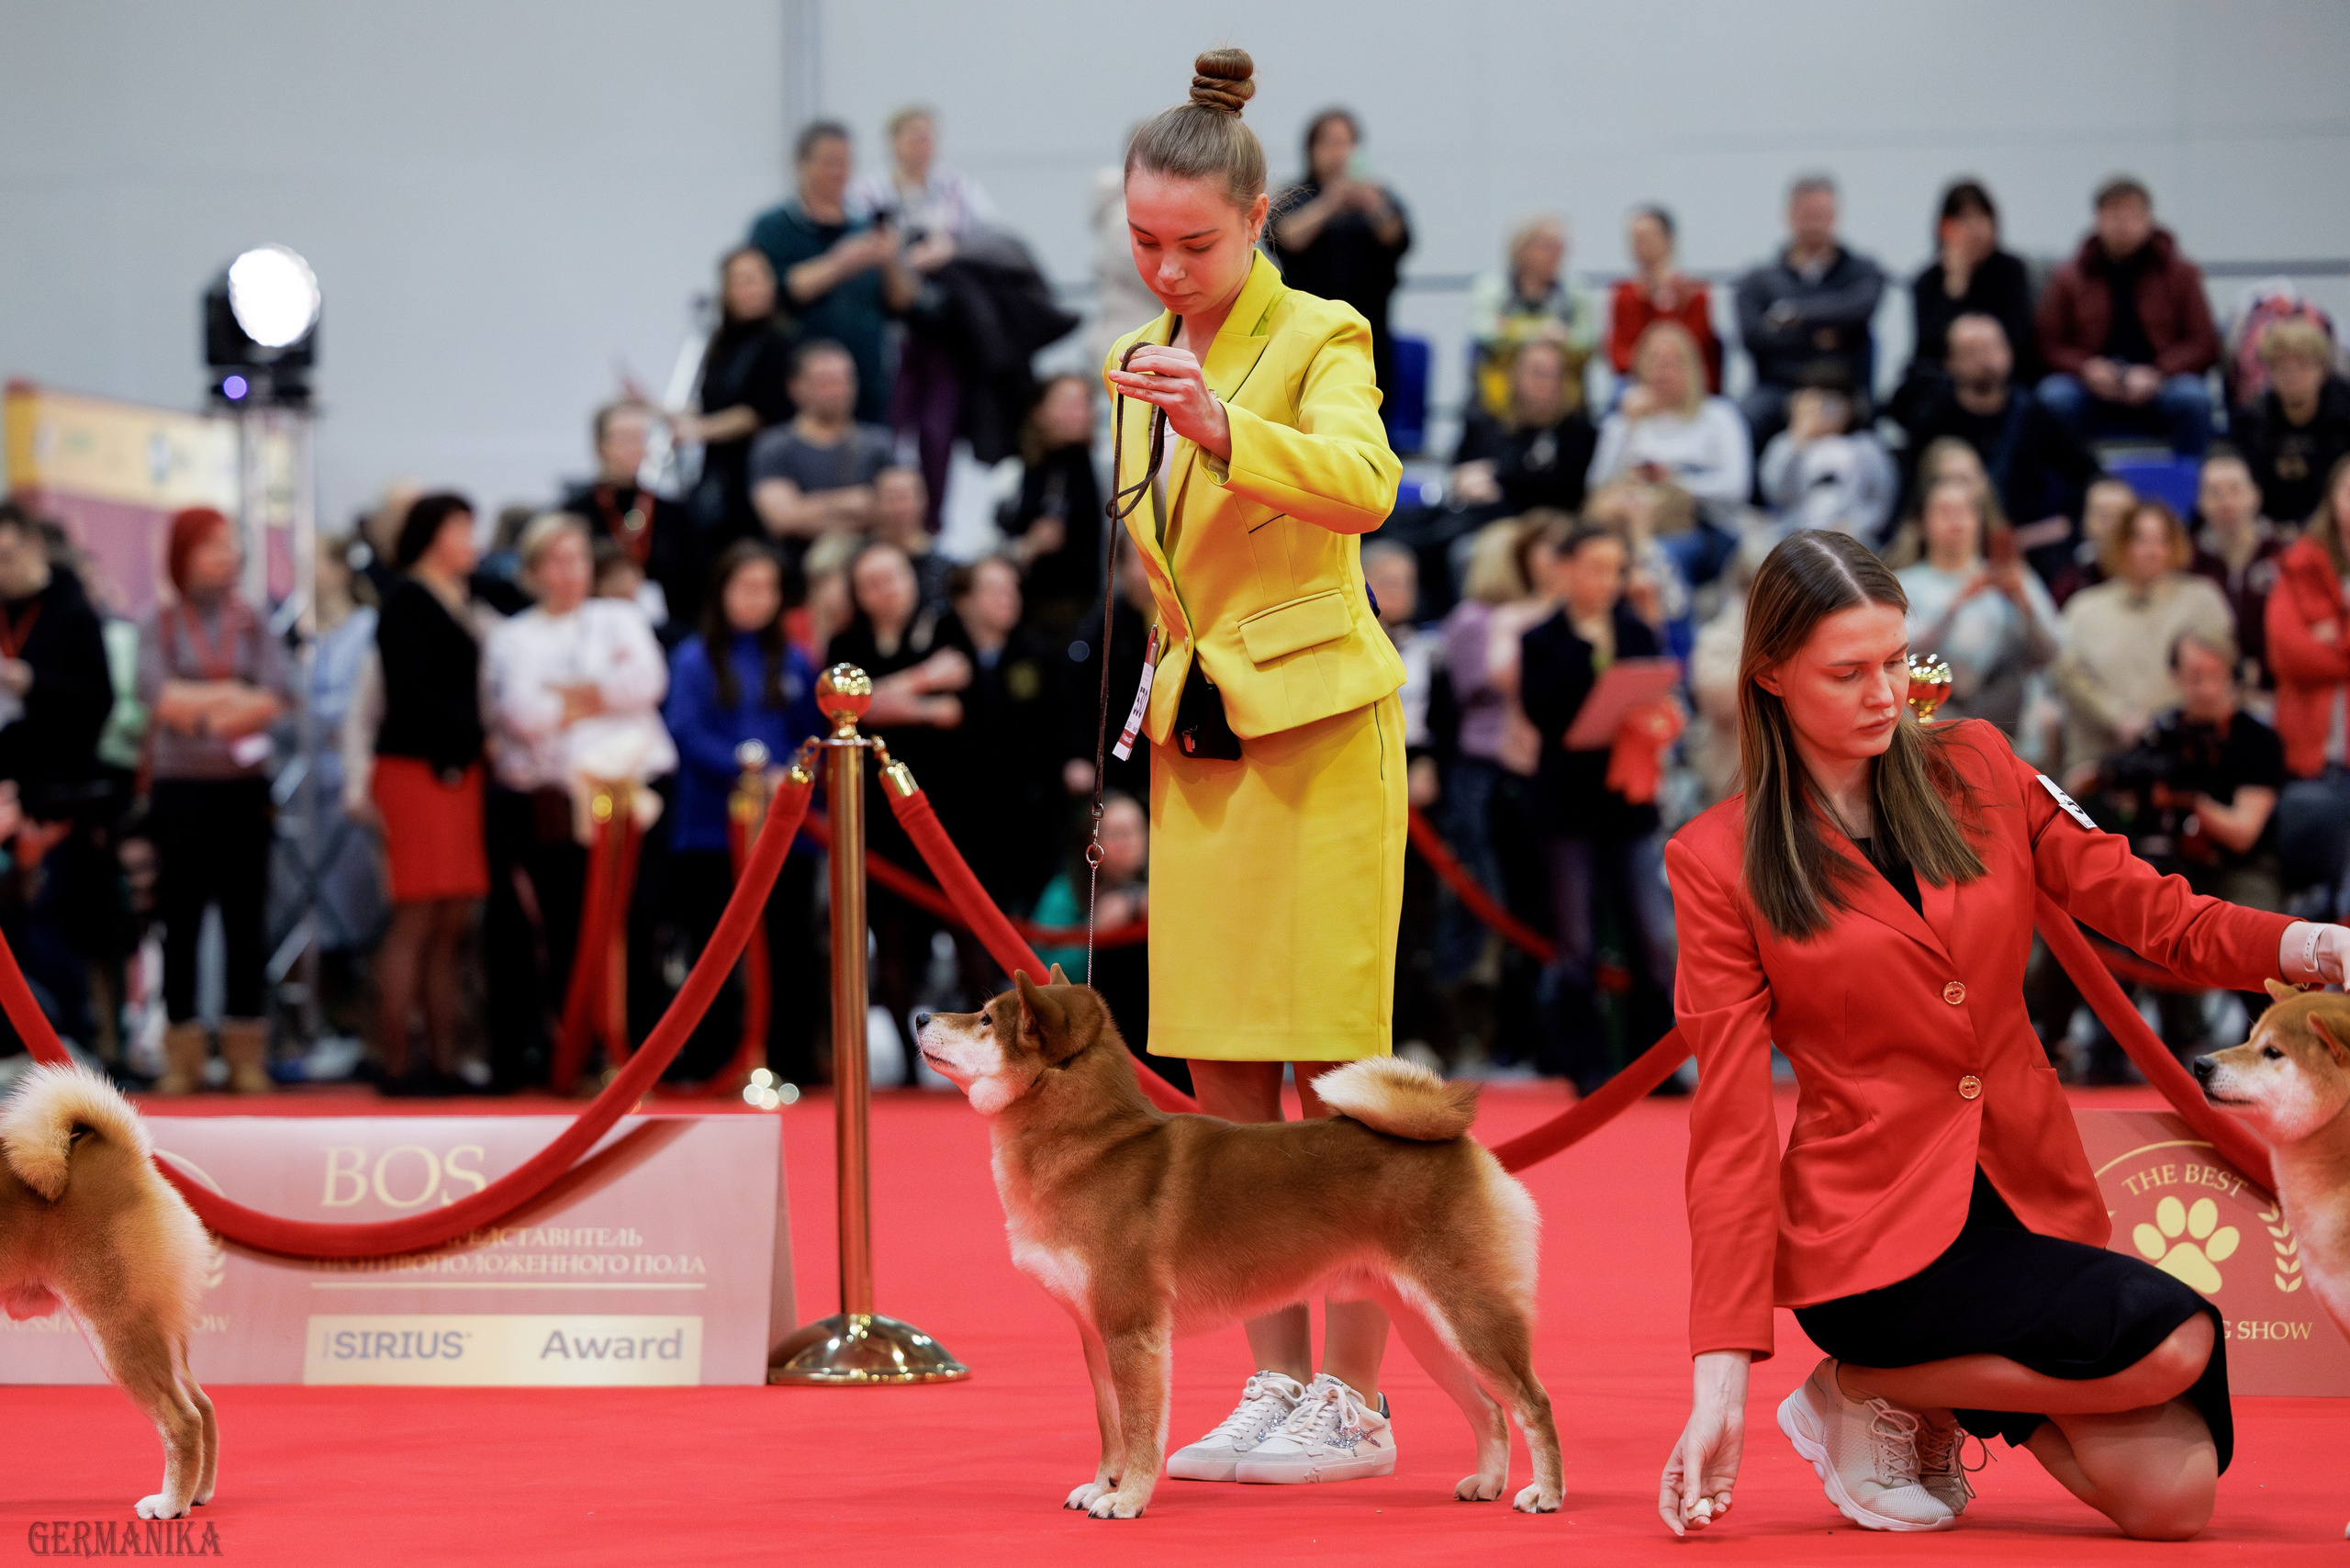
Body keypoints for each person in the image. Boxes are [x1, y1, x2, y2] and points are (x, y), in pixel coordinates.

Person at [1660, 528, 2342, 1541]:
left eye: (1895, 659)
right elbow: (1724, 1119)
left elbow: (2153, 909)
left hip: (2025, 1195)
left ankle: (1889, 1396)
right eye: (1846, 672)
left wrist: (2309, 943)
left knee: (2173, 1500)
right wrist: (1721, 1368)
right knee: (2177, 1336)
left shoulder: (1978, 763)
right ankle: (1863, 1374)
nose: (1885, 693)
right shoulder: (1714, 859)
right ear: (1770, 676)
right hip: (1869, 1238)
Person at [1106, 48, 1410, 1484]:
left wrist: (1223, 425)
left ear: (1261, 214)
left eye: (1197, 244)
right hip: (1206, 739)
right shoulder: (1139, 364)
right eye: (1144, 240)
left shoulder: (1324, 332)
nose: (1168, 267)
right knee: (1223, 1085)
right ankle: (1275, 1387)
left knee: (1341, 1076)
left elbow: (1365, 486)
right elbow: (1165, 568)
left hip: (1323, 739)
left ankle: (1357, 1401)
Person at [481, 515, 675, 1091]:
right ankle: (579, 1051)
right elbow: (524, 714)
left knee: (640, 922)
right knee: (571, 926)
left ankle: (641, 1049)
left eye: (580, 560)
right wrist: (599, 693)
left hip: (636, 791)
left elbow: (645, 682)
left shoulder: (621, 617)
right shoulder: (513, 636)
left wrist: (572, 697)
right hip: (558, 800)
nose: (572, 573)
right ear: (535, 572)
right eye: (558, 562)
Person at [1516, 523, 1675, 1091]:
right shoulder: (1541, 639)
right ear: (1566, 568)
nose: (1609, 581)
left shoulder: (1635, 629)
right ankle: (1584, 1061)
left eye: (1617, 569)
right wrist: (1591, 653)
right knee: (1576, 942)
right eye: (1597, 567)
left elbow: (1657, 689)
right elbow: (1546, 712)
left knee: (1651, 938)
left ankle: (1655, 1063)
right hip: (1567, 806)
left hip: (1628, 804)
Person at [137, 507, 290, 1094]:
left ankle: (246, 1050)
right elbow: (158, 696)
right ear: (183, 556)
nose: (227, 557)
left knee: (246, 918)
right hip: (180, 791)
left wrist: (207, 708)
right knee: (181, 918)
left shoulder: (252, 622)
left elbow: (279, 693)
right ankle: (183, 1051)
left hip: (244, 790)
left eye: (231, 546)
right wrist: (232, 695)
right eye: (212, 547)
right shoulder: (162, 623)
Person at [663, 542, 823, 1086]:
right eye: (746, 587)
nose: (758, 599)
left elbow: (811, 735)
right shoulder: (694, 656)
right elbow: (686, 731)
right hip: (714, 829)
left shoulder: (795, 658)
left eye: (768, 588)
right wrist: (748, 768)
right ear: (722, 591)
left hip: (786, 833)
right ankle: (713, 1062)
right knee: (716, 948)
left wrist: (797, 778)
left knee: (789, 946)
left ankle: (790, 1060)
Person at [362, 493, 489, 1095]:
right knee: (415, 914)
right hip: (417, 768)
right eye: (462, 527)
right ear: (435, 534)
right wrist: (473, 737)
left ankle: (442, 1057)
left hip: (455, 769)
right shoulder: (407, 601)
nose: (472, 539)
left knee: (451, 917)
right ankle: (396, 1058)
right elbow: (410, 693)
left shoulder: (461, 597)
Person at [825, 539, 970, 1052]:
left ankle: (983, 1050)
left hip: (946, 804)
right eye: (872, 582)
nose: (886, 590)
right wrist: (925, 692)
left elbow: (960, 698)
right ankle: (909, 1061)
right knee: (890, 937)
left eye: (893, 577)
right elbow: (847, 713)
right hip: (877, 814)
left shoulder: (945, 624)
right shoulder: (846, 643)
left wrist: (880, 698)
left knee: (967, 929)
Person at [747, 120, 918, 426]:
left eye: (844, 163)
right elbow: (777, 291)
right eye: (829, 163)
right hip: (794, 386)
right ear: (802, 165)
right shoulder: (773, 227)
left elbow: (903, 301)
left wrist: (890, 259)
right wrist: (840, 263)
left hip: (865, 381)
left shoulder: (866, 225)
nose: (838, 172)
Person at [2036, 177, 2221, 457]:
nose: (2123, 225)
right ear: (2097, 220)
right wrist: (2086, 368)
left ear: (2149, 219)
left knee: (2192, 398)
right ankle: (2066, 495)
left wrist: (2159, 373)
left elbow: (2204, 341)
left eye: (2132, 216)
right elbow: (2046, 344)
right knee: (2054, 398)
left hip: (2160, 385)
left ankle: (2192, 494)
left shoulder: (2181, 274)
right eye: (2113, 215)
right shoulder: (2068, 277)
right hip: (2090, 388)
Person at [2053, 499, 2234, 781]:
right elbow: (2067, 673)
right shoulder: (2084, 608)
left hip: (2183, 754)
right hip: (2101, 756)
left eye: (2162, 540)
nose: (2152, 551)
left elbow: (2219, 667)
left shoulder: (2202, 600)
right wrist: (2117, 717)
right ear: (2120, 544)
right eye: (2140, 539)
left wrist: (2163, 726)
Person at [1898, 315, 2100, 565]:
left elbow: (2090, 478)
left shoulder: (2034, 414)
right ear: (1949, 362)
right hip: (1952, 546)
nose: (1986, 359)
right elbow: (1910, 497)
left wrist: (2049, 530)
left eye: (1994, 347)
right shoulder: (1932, 419)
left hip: (2027, 548)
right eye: (1971, 351)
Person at [1589, 321, 1751, 586]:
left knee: (1659, 558)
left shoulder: (1719, 416)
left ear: (1692, 368)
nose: (1663, 372)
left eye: (1673, 362)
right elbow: (1597, 486)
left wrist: (1675, 481)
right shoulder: (1622, 422)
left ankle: (1675, 627)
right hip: (1629, 523)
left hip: (1705, 526)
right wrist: (1627, 427)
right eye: (1655, 362)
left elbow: (1737, 488)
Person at [1895, 477, 2061, 735]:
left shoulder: (2013, 577)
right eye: (1944, 511)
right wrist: (1956, 603)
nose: (1956, 520)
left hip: (2004, 709)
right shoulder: (1905, 583)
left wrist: (2023, 602)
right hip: (1929, 711)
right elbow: (1899, 654)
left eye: (1964, 511)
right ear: (1922, 523)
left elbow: (2051, 653)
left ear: (1979, 521)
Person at [1268, 106, 1412, 403]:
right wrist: (1331, 201)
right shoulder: (1296, 194)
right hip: (1307, 329)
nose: (1340, 152)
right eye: (1330, 142)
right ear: (1312, 149)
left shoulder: (1377, 195)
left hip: (1369, 329)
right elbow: (1286, 238)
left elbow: (1398, 238)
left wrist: (1373, 205)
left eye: (1347, 143)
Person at [1733, 174, 1886, 447]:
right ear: (1790, 216)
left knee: (1870, 436)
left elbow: (1861, 309)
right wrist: (1826, 333)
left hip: (1842, 386)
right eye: (1809, 214)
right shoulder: (1757, 281)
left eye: (1824, 214)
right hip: (1779, 387)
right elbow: (1753, 336)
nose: (1817, 223)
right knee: (1746, 423)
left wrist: (1792, 316)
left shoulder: (1862, 271)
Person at [676, 247, 798, 545]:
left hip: (757, 473)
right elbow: (710, 403)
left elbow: (763, 411)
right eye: (741, 281)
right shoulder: (720, 342)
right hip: (718, 472)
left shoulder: (781, 343)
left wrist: (700, 430)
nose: (750, 289)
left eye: (756, 279)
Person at [559, 401, 702, 641]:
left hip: (666, 633)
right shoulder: (573, 515)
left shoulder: (675, 515)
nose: (633, 447)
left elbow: (696, 585)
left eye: (640, 438)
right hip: (589, 635)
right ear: (600, 446)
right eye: (623, 438)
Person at [748, 342, 896, 555]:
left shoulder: (879, 445)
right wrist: (851, 502)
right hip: (793, 566)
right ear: (795, 386)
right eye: (825, 382)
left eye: (843, 381)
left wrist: (806, 508)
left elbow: (892, 514)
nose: (836, 391)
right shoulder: (774, 446)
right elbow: (782, 519)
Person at [999, 374, 1104, 645]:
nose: (1079, 413)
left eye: (1084, 404)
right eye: (1068, 403)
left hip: (1095, 609)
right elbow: (986, 548)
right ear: (1039, 412)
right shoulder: (1013, 474)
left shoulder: (1109, 468)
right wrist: (1026, 547)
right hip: (1027, 613)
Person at [1466, 214, 1598, 420]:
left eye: (1561, 248)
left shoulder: (1574, 291)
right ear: (1522, 248)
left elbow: (1587, 340)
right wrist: (1542, 331)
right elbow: (1482, 332)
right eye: (1548, 247)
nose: (1557, 255)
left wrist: (1510, 328)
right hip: (1499, 394)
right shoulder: (1494, 288)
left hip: (1562, 399)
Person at [1451, 339, 1598, 520]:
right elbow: (1460, 469)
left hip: (1543, 525)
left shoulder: (1577, 432)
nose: (1545, 383)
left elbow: (1562, 491)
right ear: (1513, 375)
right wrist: (1463, 481)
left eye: (1554, 374)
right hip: (1475, 516)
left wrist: (1495, 477)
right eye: (1538, 373)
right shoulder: (1484, 424)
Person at [1908, 180, 2037, 383]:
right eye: (1964, 219)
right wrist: (1955, 286)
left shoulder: (2010, 270)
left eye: (1981, 217)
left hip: (2002, 376)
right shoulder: (1927, 280)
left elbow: (2018, 337)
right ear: (1945, 228)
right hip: (1944, 380)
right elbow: (1928, 348)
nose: (1974, 228)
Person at [2232, 319, 2350, 528]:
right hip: (2270, 528)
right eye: (2281, 367)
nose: (2292, 376)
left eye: (2302, 366)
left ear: (2322, 370)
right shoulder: (2253, 420)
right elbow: (2250, 487)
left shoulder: (2344, 415)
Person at [2188, 449, 2285, 688]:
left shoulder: (2285, 555)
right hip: (2208, 690)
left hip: (2276, 689)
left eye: (2235, 489)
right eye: (2215, 493)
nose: (2226, 502)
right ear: (2199, 502)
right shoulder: (2186, 562)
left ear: (2256, 495)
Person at [1759, 387, 1897, 545]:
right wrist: (1797, 442)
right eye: (1815, 405)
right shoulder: (1786, 444)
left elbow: (1881, 499)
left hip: (1848, 534)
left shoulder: (1866, 445)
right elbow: (1775, 495)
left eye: (1832, 404)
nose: (1824, 412)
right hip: (1793, 532)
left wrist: (1856, 525)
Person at [1607, 205, 1720, 395]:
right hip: (1637, 384)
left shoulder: (1694, 294)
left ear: (1669, 239)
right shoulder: (1624, 295)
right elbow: (1619, 356)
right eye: (1634, 238)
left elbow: (1697, 352)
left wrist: (1674, 304)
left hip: (1688, 386)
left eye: (1646, 237)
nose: (1639, 245)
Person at [870, 466, 953, 614]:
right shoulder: (861, 561)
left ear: (922, 501)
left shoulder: (943, 569)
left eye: (904, 497)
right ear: (876, 504)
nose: (898, 508)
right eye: (890, 498)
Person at [2048, 474, 2138, 607]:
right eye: (2103, 515)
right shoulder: (2071, 579)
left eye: (2120, 515)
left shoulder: (2156, 574)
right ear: (2085, 519)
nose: (2111, 524)